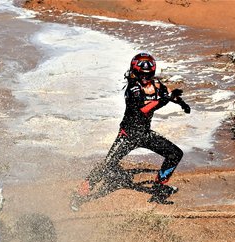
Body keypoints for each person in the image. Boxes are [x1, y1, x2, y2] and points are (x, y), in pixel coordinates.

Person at [73, 52, 191, 208]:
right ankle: (78, 196)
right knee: (107, 166)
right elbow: (142, 109)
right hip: (127, 136)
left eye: (147, 75)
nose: (144, 78)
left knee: (175, 154)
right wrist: (163, 100)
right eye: (140, 74)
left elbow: (169, 94)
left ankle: (159, 187)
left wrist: (181, 103)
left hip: (145, 135)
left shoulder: (157, 86)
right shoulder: (133, 89)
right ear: (134, 72)